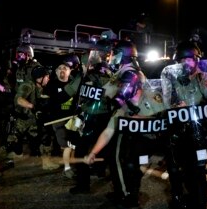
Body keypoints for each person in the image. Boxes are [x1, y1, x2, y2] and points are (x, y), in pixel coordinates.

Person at [84, 40, 165, 208]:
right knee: (124, 161)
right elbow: (109, 128)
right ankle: (126, 193)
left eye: (113, 53)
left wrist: (113, 99)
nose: (110, 57)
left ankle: (127, 196)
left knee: (121, 160)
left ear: (122, 54)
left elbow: (121, 96)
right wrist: (93, 152)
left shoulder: (130, 74)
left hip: (139, 125)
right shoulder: (125, 73)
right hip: (131, 118)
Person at [160, 41, 207, 209]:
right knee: (183, 173)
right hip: (181, 135)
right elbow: (166, 107)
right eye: (179, 61)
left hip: (201, 134)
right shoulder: (172, 82)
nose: (183, 64)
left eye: (187, 60)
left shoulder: (205, 80)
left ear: (196, 60)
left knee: (199, 175)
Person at [0, 66, 59, 177]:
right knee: (9, 143)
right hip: (21, 120)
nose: (48, 78)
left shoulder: (39, 87)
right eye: (47, 76)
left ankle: (46, 162)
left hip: (33, 121)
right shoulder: (27, 85)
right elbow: (19, 99)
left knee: (45, 138)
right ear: (40, 78)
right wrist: (32, 106)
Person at [69, 41, 114, 194]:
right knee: (105, 147)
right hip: (106, 117)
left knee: (81, 150)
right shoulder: (111, 73)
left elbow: (70, 91)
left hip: (89, 117)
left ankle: (83, 185)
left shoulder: (85, 74)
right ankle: (102, 172)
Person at [45, 54, 82, 179]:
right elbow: (58, 99)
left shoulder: (74, 82)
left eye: (65, 68)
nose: (62, 70)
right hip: (58, 120)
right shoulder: (51, 85)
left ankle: (72, 165)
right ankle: (67, 169)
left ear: (70, 70)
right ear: (55, 71)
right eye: (59, 68)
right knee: (66, 145)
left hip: (73, 119)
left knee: (74, 145)